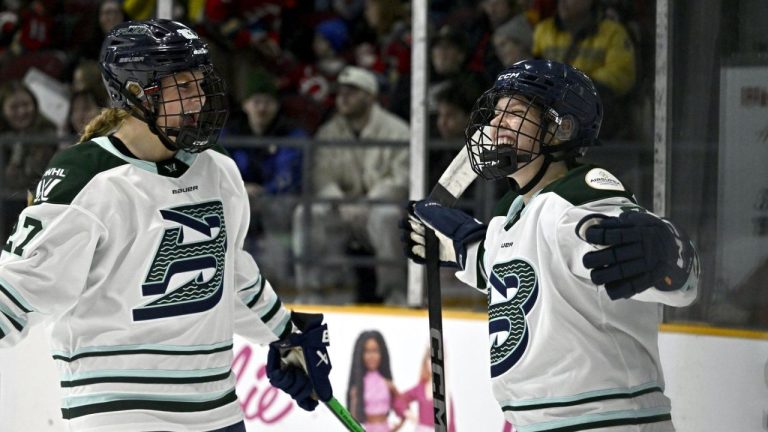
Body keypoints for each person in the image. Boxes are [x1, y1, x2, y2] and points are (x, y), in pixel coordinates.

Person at [0, 19, 334, 432]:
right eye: (183, 88)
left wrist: (285, 333)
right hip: (118, 413)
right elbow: (20, 288)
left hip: (217, 410)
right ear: (137, 94)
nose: (198, 100)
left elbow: (228, 271)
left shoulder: (218, 167)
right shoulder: (86, 176)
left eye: (200, 84)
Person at [402, 60, 699, 431]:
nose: (496, 124)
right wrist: (456, 246)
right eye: (495, 113)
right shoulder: (513, 216)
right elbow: (508, 270)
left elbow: (664, 272)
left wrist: (671, 257)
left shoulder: (579, 202)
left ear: (562, 128)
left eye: (515, 113)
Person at [292, 65, 409, 304]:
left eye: (351, 92)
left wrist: (368, 202)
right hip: (341, 210)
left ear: (369, 96)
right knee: (306, 212)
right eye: (340, 92)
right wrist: (340, 202)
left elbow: (402, 180)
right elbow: (321, 177)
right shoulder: (328, 132)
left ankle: (394, 294)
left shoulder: (397, 130)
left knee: (387, 216)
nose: (342, 97)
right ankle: (310, 292)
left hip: (376, 209)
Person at [532, 0, 636, 137]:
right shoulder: (544, 30)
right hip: (551, 112)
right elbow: (533, 69)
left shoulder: (613, 33)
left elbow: (622, 75)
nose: (563, 3)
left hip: (595, 113)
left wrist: (579, 84)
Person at [347, 330, 404, 432]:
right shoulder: (359, 387)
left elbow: (403, 409)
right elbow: (352, 420)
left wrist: (396, 427)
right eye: (367, 351)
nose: (371, 356)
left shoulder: (387, 383)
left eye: (375, 351)